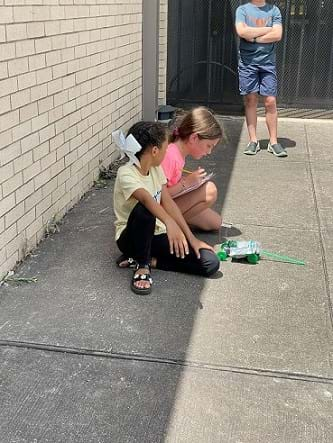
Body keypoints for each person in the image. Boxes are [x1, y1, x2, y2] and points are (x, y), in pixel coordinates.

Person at [113, 121, 220, 296]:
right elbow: (147, 200)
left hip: (156, 235)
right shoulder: (126, 173)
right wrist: (170, 223)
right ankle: (142, 267)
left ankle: (150, 261)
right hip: (131, 238)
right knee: (144, 210)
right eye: (165, 147)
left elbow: (168, 202)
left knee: (210, 263)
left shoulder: (155, 169)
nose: (167, 150)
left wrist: (191, 238)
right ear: (155, 151)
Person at [235, 0, 287, 157]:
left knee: (270, 101)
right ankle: (253, 141)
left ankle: (273, 142)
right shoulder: (242, 10)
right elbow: (241, 32)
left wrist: (254, 36)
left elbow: (277, 34)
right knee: (250, 100)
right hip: (247, 63)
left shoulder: (274, 11)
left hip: (267, 64)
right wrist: (266, 29)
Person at [161, 107, 223, 231]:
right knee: (210, 190)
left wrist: (188, 183)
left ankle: (176, 223)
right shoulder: (170, 154)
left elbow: (170, 184)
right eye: (208, 146)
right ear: (194, 138)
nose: (209, 152)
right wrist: (187, 183)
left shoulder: (178, 154)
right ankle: (172, 227)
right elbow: (158, 195)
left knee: (216, 222)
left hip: (171, 202)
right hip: (160, 208)